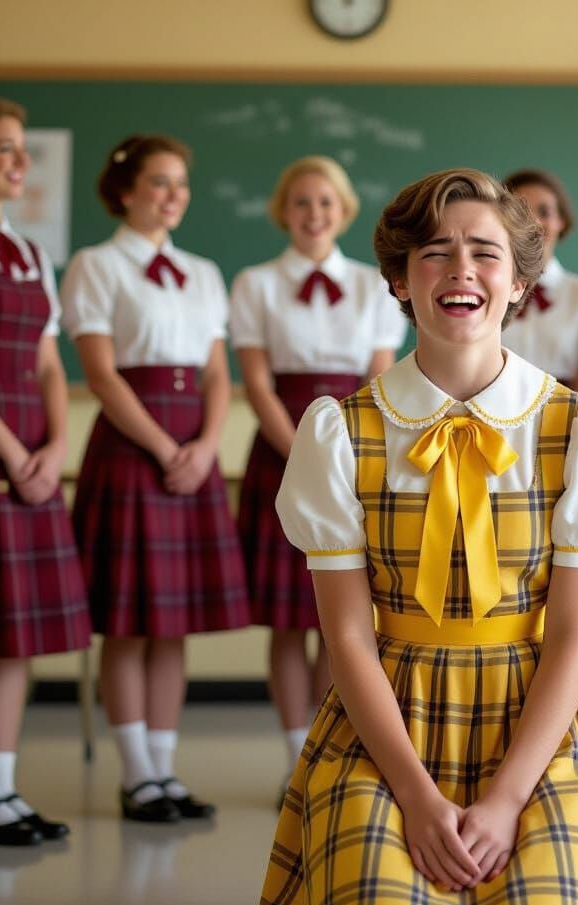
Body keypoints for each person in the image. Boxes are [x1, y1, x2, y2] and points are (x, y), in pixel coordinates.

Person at [240, 168, 578, 905]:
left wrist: (505, 801)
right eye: (434, 253)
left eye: (485, 254)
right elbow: (345, 635)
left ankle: (500, 893)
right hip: (392, 723)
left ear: (519, 282)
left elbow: (573, 638)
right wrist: (414, 795)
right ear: (399, 280)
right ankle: (427, 899)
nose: (460, 270)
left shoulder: (577, 428)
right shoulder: (340, 432)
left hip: (541, 723)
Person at [61, 134, 250, 824]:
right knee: (128, 623)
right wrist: (165, 445)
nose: (173, 196)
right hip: (132, 443)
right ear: (126, 192)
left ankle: (165, 772)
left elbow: (215, 374)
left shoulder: (202, 271)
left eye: (181, 184)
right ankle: (136, 773)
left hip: (189, 447)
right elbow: (101, 373)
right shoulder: (96, 265)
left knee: (173, 625)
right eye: (159, 183)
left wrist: (203, 446)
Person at [229, 156, 404, 801]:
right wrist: (304, 451)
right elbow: (255, 382)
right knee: (286, 619)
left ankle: (333, 755)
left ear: (344, 210)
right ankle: (292, 759)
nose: (313, 214)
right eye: (302, 202)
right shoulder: (255, 283)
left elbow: (379, 378)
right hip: (282, 450)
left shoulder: (372, 284)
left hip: (356, 453)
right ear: (284, 210)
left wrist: (344, 455)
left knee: (346, 618)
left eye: (325, 202)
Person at [0, 95, 91, 846]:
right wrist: (12, 454)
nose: (18, 162)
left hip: (32, 456)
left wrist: (56, 445)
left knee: (11, 634)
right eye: (2, 149)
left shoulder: (30, 253)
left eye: (21, 149)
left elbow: (46, 363)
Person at [502, 168, 578, 392]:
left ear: (561, 222)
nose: (534, 222)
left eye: (544, 212)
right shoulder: (488, 290)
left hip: (560, 415)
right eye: (521, 212)